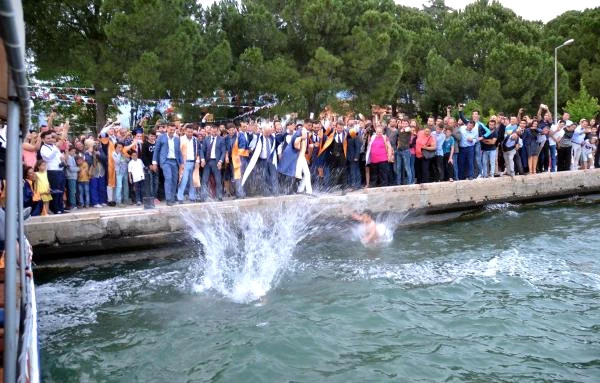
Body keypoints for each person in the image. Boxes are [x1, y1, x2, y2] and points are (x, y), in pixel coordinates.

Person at [152, 124, 183, 205]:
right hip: (165, 161)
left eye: (173, 129)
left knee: (174, 180)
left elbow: (179, 152)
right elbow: (156, 150)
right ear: (167, 129)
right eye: (170, 129)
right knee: (168, 178)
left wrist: (181, 163)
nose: (172, 131)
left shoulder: (177, 139)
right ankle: (168, 199)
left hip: (174, 162)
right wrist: (154, 162)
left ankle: (172, 198)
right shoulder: (161, 137)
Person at [200, 125, 225, 201]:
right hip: (207, 162)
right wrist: (202, 159)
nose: (214, 133)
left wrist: (221, 161)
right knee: (204, 180)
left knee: (218, 180)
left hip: (216, 162)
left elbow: (223, 151)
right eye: (212, 131)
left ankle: (219, 196)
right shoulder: (206, 139)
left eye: (215, 131)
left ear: (217, 131)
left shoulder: (221, 139)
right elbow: (202, 150)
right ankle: (203, 196)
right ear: (210, 131)